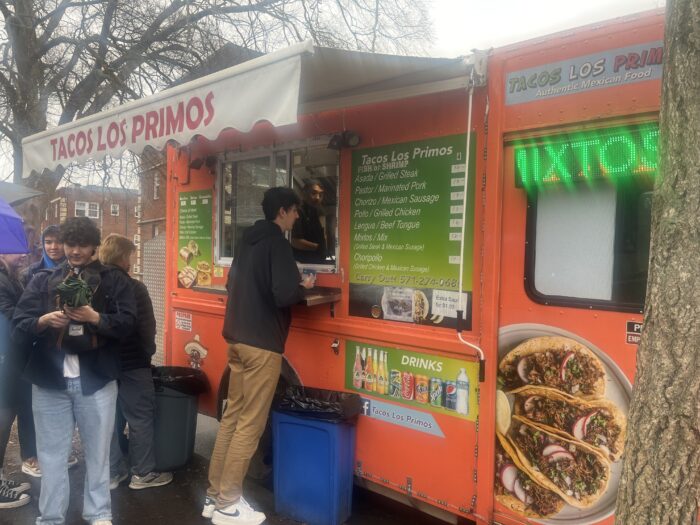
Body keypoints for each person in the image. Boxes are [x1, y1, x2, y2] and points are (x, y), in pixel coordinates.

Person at [12, 217, 137, 525]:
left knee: (98, 454)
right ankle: (51, 517)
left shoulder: (114, 281)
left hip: (96, 381)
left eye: (82, 245)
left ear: (95, 247)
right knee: (52, 456)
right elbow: (20, 322)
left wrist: (96, 317)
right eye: (71, 244)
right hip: (49, 382)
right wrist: (44, 321)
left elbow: (128, 324)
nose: (75, 251)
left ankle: (98, 513)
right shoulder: (42, 279)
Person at [204, 187, 315, 525]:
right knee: (250, 426)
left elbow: (231, 285)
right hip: (262, 345)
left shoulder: (246, 241)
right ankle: (228, 504)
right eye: (295, 211)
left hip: (236, 340)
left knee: (232, 419)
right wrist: (304, 287)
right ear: (283, 211)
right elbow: (284, 295)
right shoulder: (277, 243)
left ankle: (213, 497)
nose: (297, 217)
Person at [99, 234, 173, 491]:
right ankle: (142, 473)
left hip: (102, 363)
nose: (132, 259)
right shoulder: (135, 287)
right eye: (130, 254)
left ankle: (110, 473)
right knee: (140, 417)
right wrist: (147, 352)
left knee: (107, 419)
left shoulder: (94, 283)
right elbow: (146, 327)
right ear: (122, 256)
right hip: (133, 363)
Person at [19, 225, 75, 478]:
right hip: (36, 347)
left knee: (64, 403)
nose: (53, 247)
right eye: (48, 241)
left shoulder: (76, 272)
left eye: (57, 242)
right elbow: (23, 312)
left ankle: (58, 450)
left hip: (66, 349)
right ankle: (32, 454)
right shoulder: (32, 273)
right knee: (33, 407)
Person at [0, 253, 32, 509]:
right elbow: (14, 316)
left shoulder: (10, 277)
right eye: (14, 248)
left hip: (10, 359)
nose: (22, 253)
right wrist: (38, 318)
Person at [291, 179, 328, 264]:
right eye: (314, 193)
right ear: (304, 193)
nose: (317, 197)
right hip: (302, 262)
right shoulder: (299, 211)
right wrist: (319, 248)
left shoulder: (316, 211)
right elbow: (295, 241)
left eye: (321, 194)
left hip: (317, 261)